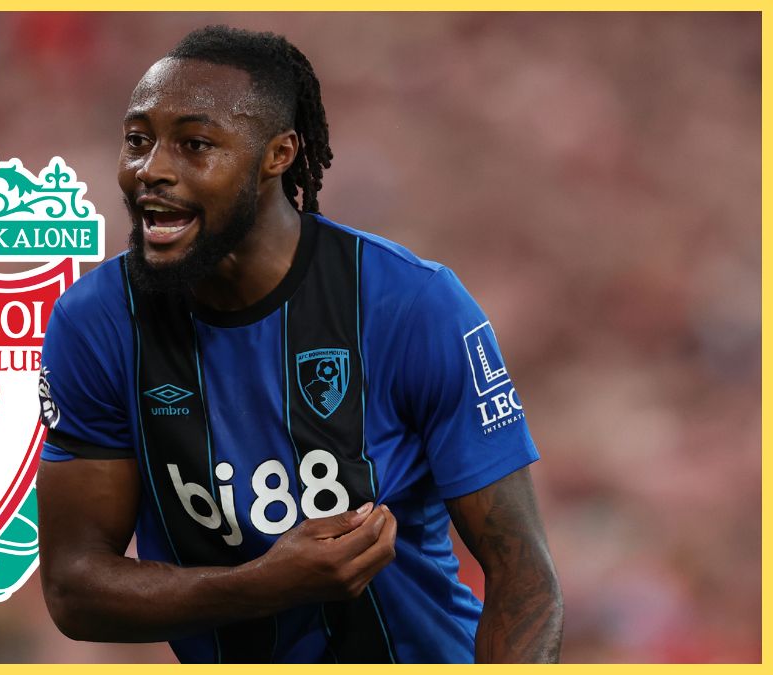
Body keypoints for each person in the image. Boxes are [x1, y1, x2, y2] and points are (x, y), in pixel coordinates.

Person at [35, 25, 563, 663]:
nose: (153, 170)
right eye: (138, 141)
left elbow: (524, 578)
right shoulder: (96, 324)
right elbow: (74, 589)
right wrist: (263, 585)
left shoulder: (410, 305)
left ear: (278, 155)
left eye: (195, 144)